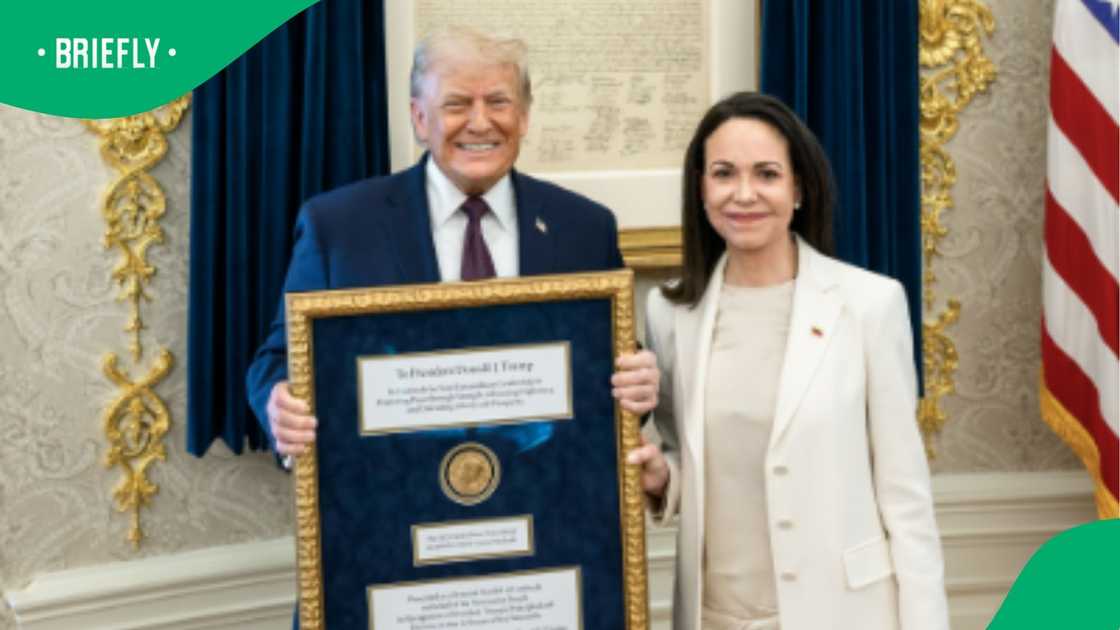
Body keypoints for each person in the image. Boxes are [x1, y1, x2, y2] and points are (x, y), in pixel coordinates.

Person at [246, 26, 659, 458]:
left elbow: (610, 364)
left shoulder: (584, 227)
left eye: (498, 102)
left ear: (524, 116)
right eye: (457, 104)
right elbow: (277, 361)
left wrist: (639, 382)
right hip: (391, 499)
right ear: (420, 118)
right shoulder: (338, 228)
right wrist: (280, 404)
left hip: (545, 499)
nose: (480, 122)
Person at [626, 92, 949, 630]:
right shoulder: (670, 312)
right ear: (701, 188)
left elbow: (905, 495)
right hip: (713, 614)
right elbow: (689, 456)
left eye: (767, 174)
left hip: (843, 613)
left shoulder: (870, 305)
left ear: (798, 188)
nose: (744, 194)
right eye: (724, 173)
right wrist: (662, 477)